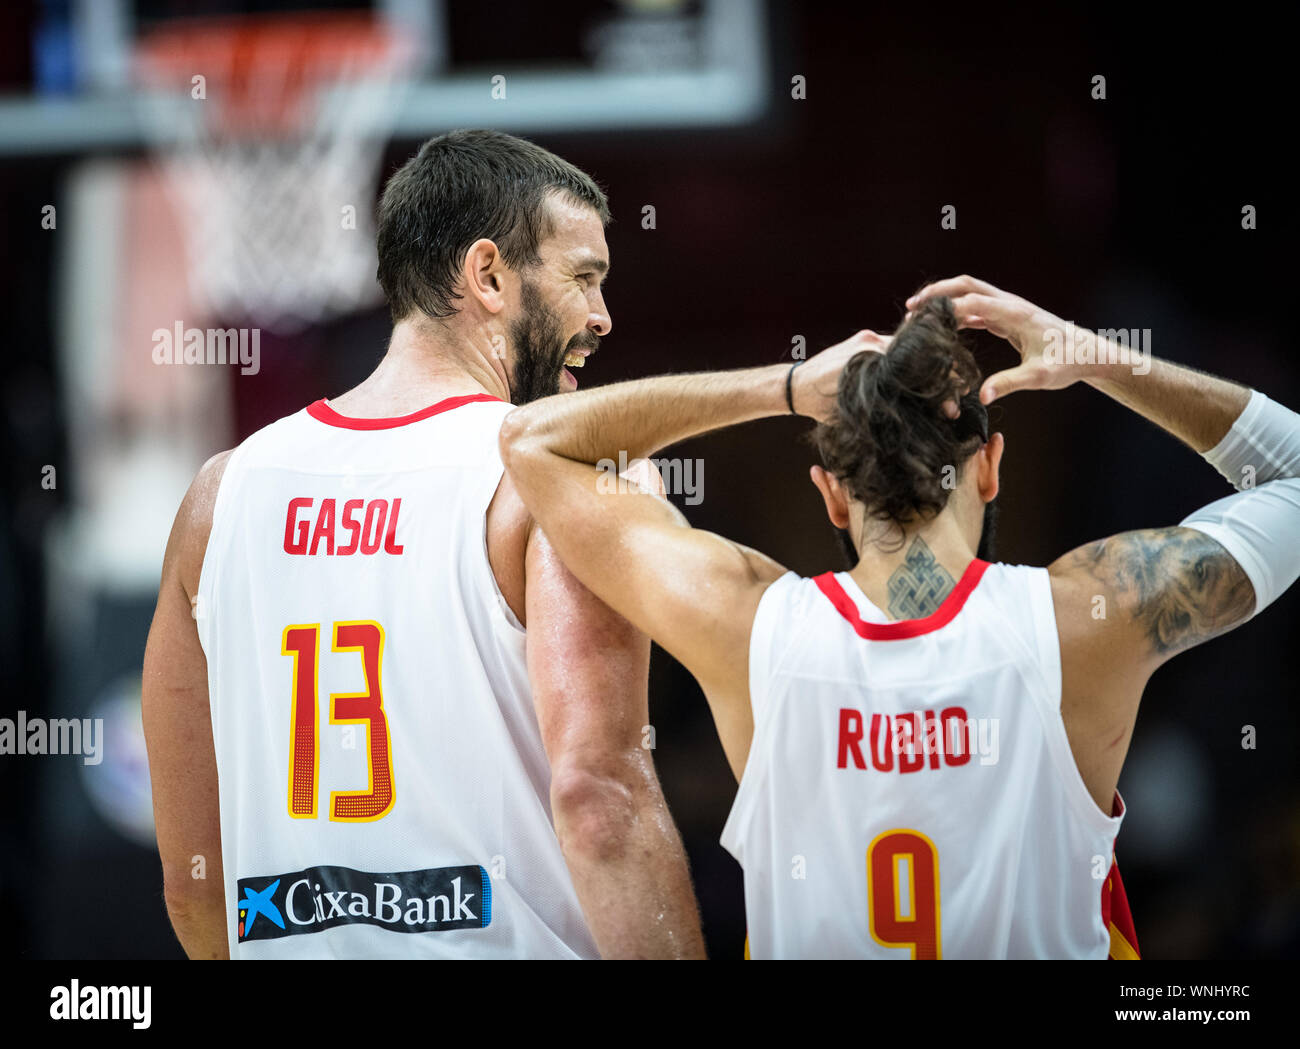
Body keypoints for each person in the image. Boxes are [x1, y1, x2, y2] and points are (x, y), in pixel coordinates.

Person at [498, 274, 1300, 958]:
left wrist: (780, 386)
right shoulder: (1089, 618)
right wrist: (1085, 353)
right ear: (989, 467)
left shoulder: (744, 625)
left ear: (832, 493)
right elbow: (1291, 473)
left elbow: (534, 440)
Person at [141, 129, 704, 959]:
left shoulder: (220, 496)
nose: (601, 315)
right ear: (488, 276)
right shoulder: (556, 476)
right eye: (584, 277)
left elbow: (194, 882)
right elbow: (602, 804)